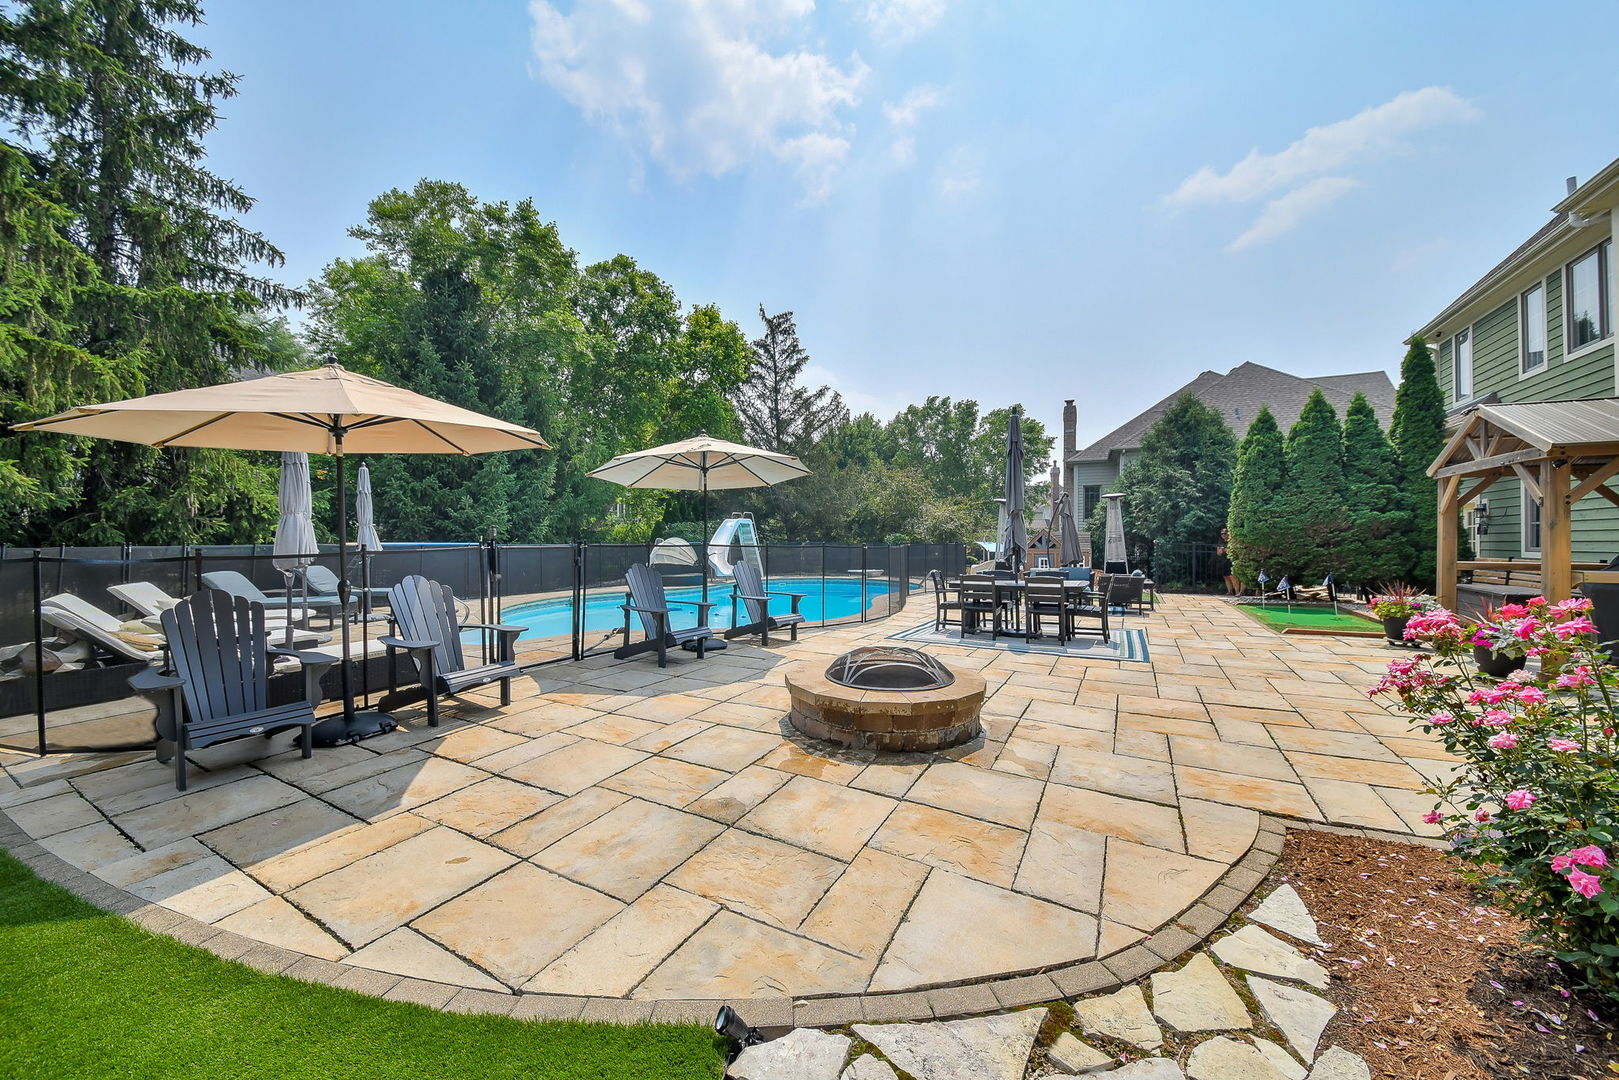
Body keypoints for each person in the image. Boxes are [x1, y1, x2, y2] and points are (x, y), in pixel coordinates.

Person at [1216, 528, 1241, 596]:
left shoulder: (1231, 541)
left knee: (1232, 576)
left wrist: (1225, 550)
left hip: (1231, 560)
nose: (1223, 535)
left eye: (1225, 533)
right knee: (1226, 576)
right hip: (1223, 561)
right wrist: (1220, 551)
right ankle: (1229, 591)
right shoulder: (1220, 542)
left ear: (1228, 534)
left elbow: (1233, 550)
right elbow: (1218, 552)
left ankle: (1237, 592)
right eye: (1222, 534)